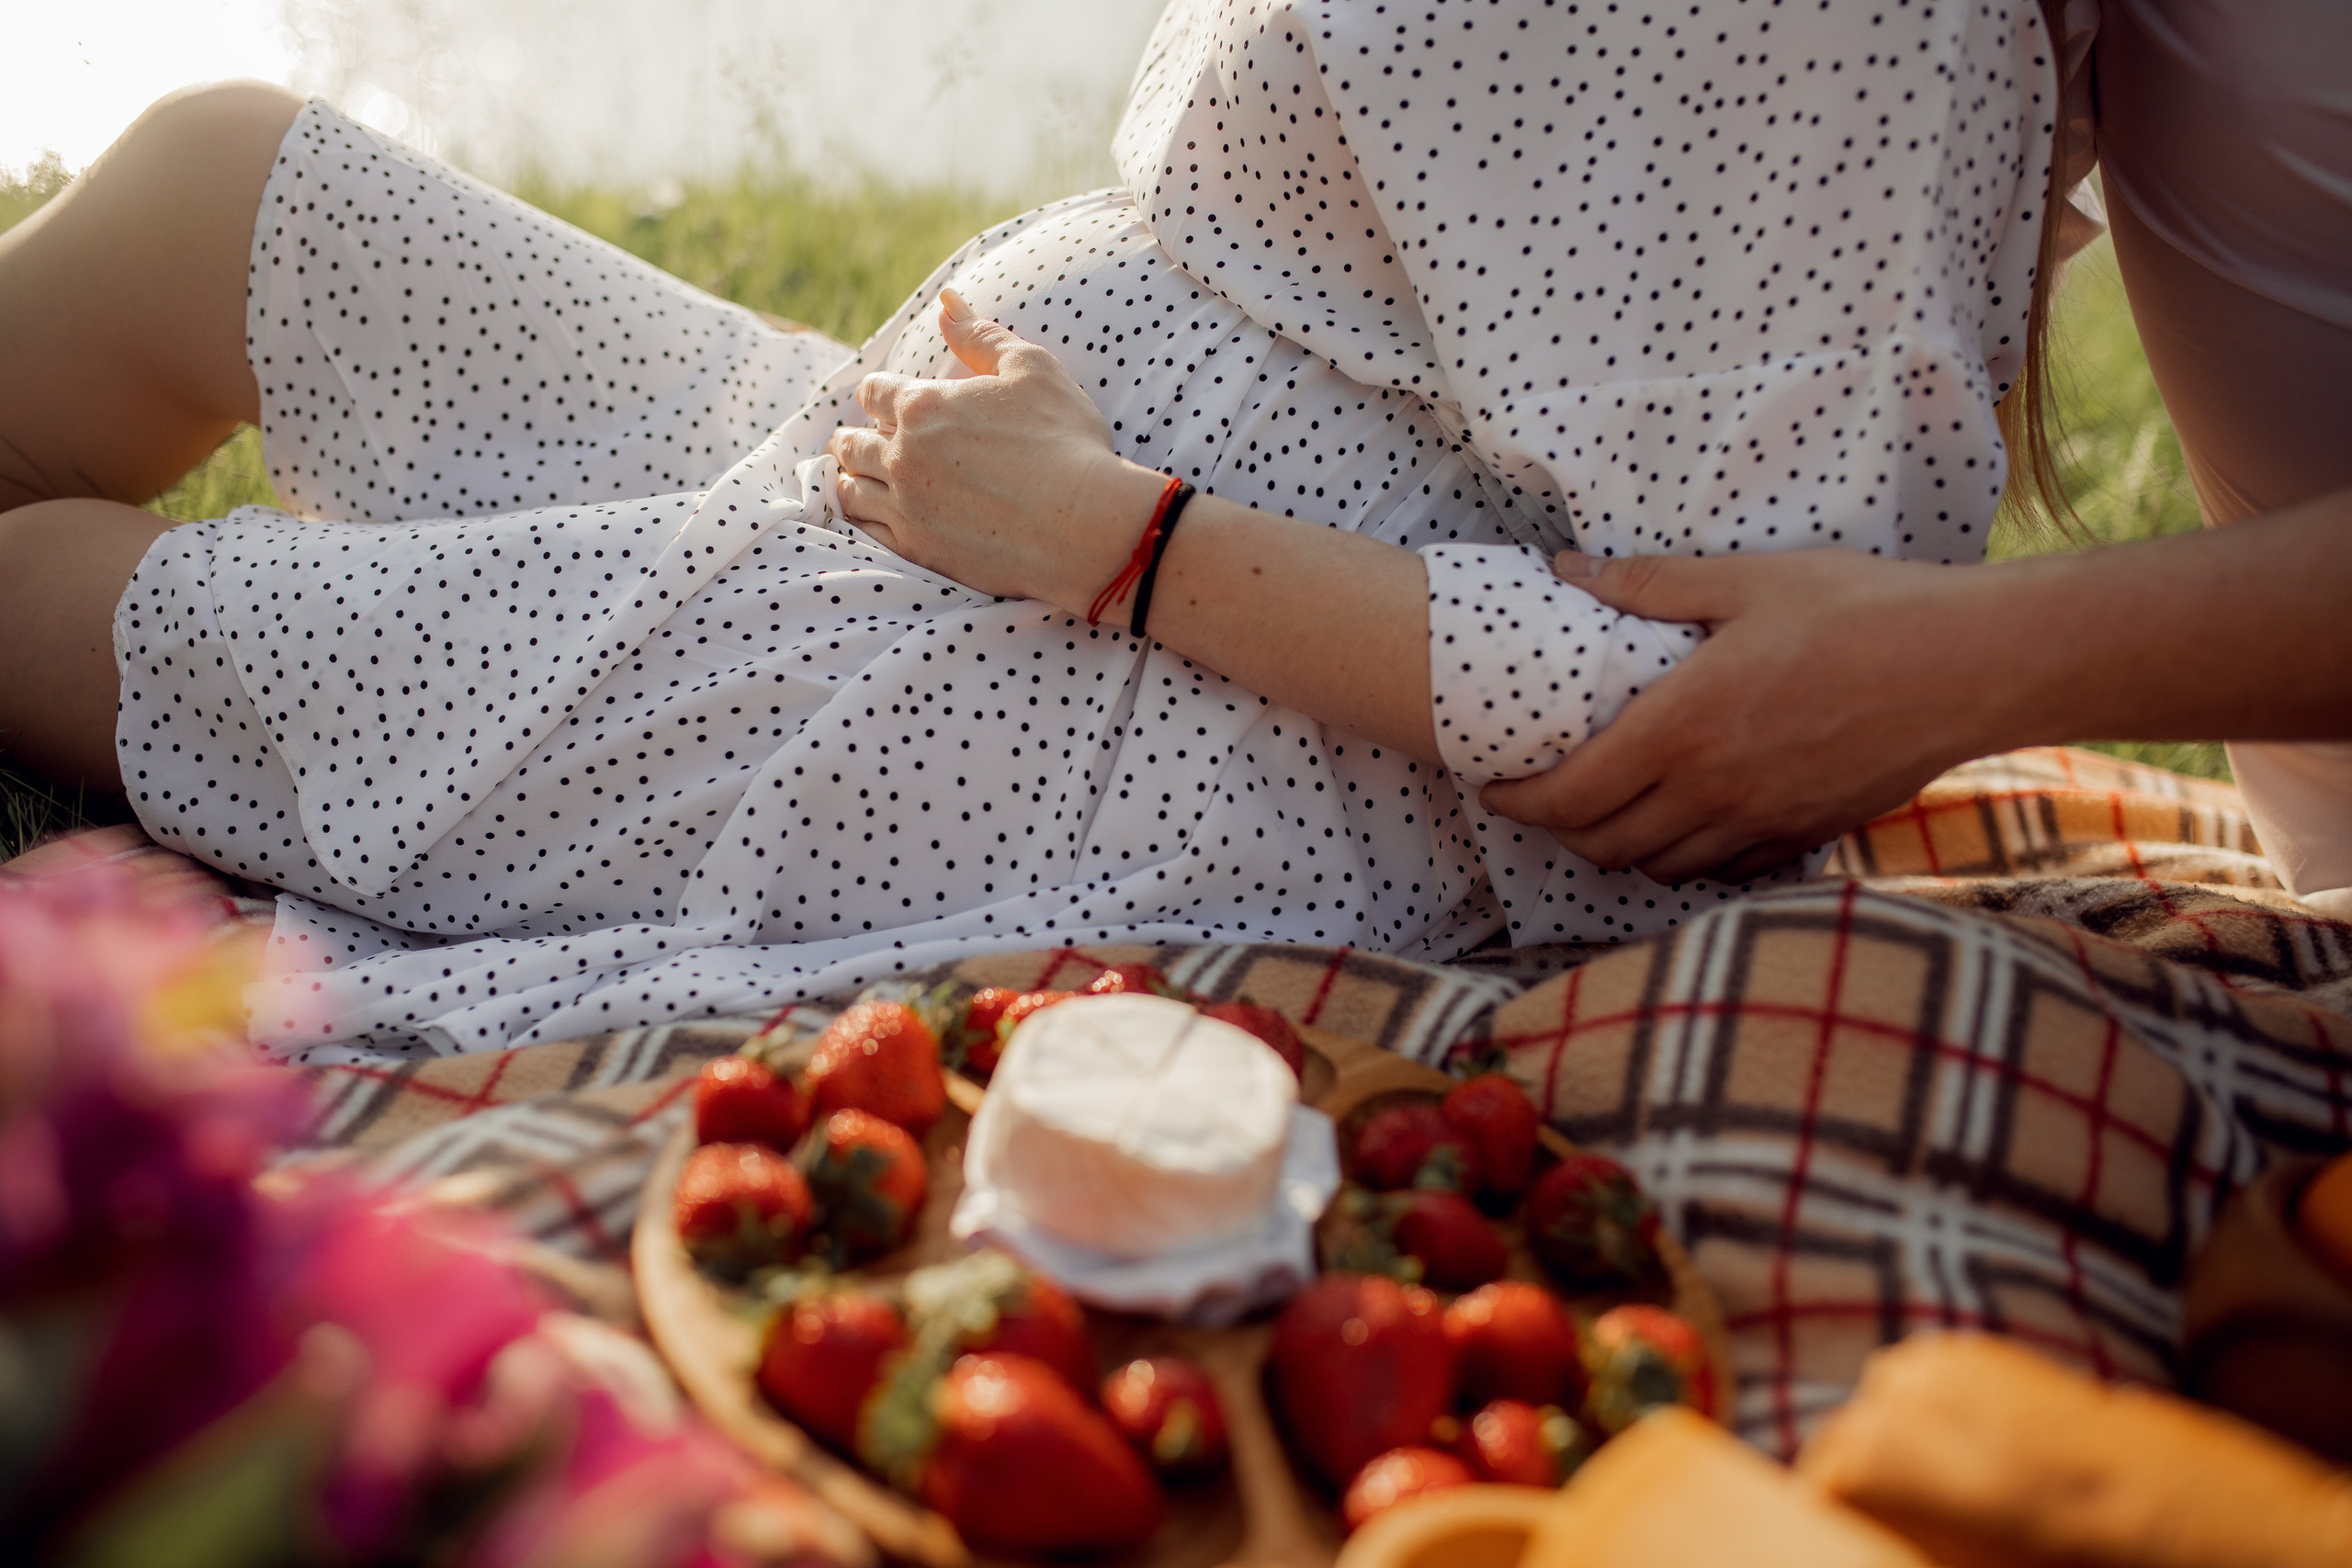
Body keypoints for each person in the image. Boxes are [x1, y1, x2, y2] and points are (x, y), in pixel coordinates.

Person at [0, 0, 2076, 1059]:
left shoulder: (1848, 39)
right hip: (936, 494)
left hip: (1088, 711)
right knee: (215, 180)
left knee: (59, 601)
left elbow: (1726, 709)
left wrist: (1122, 537)